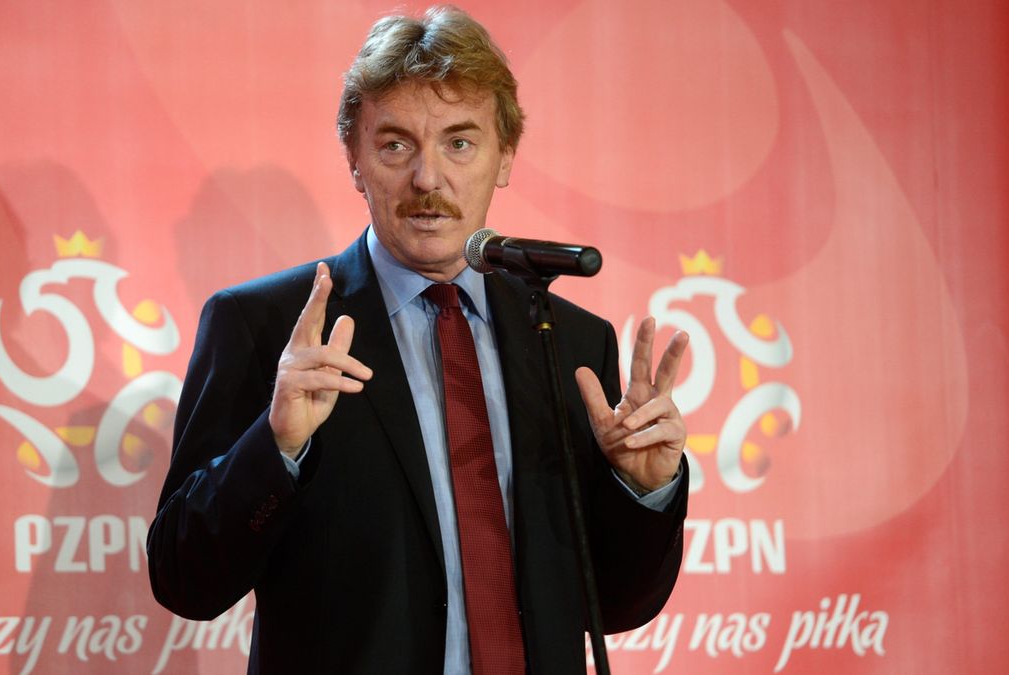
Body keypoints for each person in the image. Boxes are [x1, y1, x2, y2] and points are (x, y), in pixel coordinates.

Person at [148, 6, 690, 674]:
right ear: (355, 160)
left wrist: (643, 494)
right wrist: (276, 447)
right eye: (395, 145)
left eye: (459, 143)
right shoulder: (265, 327)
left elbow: (616, 605)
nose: (428, 179)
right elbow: (183, 579)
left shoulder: (570, 341)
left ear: (505, 157)